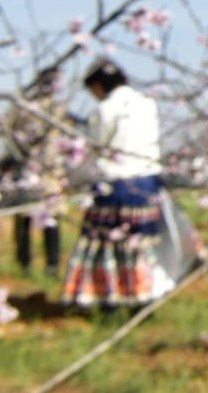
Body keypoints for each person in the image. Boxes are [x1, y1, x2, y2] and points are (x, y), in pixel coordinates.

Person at [61, 58, 173, 308]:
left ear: (99, 86)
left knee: (106, 246)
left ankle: (108, 298)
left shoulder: (105, 110)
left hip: (115, 185)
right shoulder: (147, 104)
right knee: (142, 248)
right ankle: (143, 296)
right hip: (146, 185)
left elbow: (96, 147)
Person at [10, 67, 64, 275]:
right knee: (28, 216)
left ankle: (48, 263)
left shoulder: (54, 107)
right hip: (33, 168)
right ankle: (29, 262)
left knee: (50, 215)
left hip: (48, 169)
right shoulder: (27, 107)